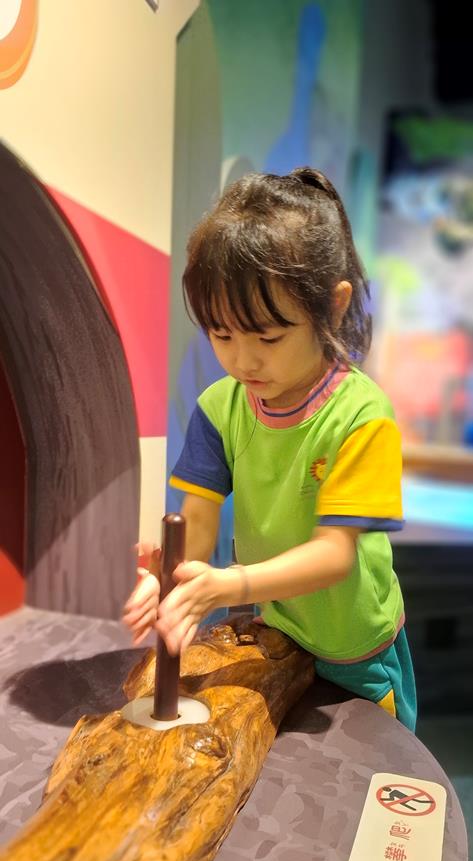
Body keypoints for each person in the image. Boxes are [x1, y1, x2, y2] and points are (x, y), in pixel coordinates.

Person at [123, 167, 417, 731]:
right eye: (221, 334)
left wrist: (230, 583)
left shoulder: (362, 416)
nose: (243, 360)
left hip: (355, 651)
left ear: (333, 307)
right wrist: (168, 577)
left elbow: (334, 555)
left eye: (268, 336)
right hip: (277, 630)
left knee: (364, 768)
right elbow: (197, 525)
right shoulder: (219, 408)